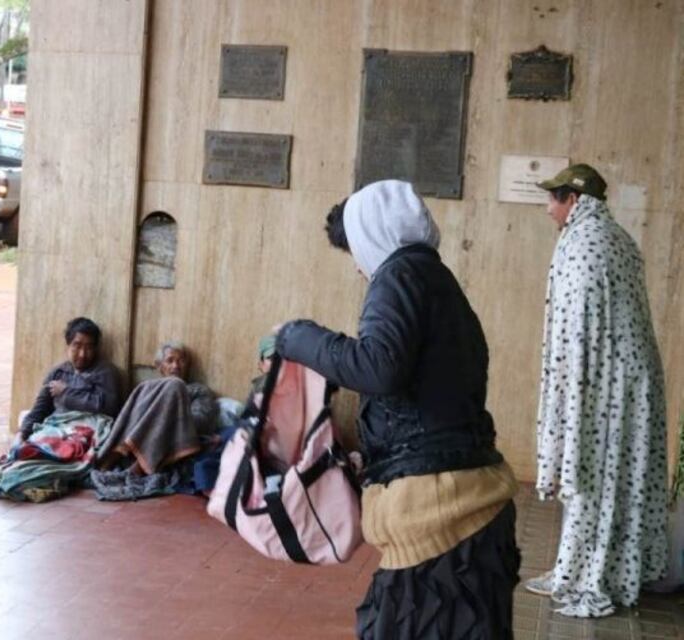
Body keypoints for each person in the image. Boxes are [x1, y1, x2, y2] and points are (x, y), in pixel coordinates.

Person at [275, 180, 519, 639]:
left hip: (438, 513)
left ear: (372, 236)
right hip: (468, 500)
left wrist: (297, 337)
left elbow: (379, 367)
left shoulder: (399, 276)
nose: (359, 269)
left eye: (355, 253)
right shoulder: (437, 282)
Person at [525, 164, 667, 617]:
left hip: (609, 388)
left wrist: (572, 398)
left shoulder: (588, 243)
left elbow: (580, 331)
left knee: (598, 480)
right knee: (602, 480)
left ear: (575, 200)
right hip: (621, 383)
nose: (549, 209)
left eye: (554, 198)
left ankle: (593, 576)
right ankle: (581, 567)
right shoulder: (612, 237)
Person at [96, 341, 217, 475]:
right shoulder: (148, 388)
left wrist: (171, 413)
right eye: (170, 361)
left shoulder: (198, 390)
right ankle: (112, 459)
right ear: (159, 366)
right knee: (152, 388)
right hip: (138, 440)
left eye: (181, 361)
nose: (176, 366)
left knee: (175, 385)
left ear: (187, 365)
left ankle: (137, 469)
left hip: (177, 440)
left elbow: (202, 422)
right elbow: (132, 416)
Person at [16, 317, 120, 440]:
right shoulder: (58, 373)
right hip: (56, 429)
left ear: (95, 349)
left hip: (87, 434)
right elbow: (39, 409)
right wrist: (22, 435)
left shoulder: (105, 372)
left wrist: (66, 393)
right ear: (68, 345)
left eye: (89, 347)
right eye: (77, 346)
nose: (82, 354)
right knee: (25, 427)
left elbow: (109, 408)